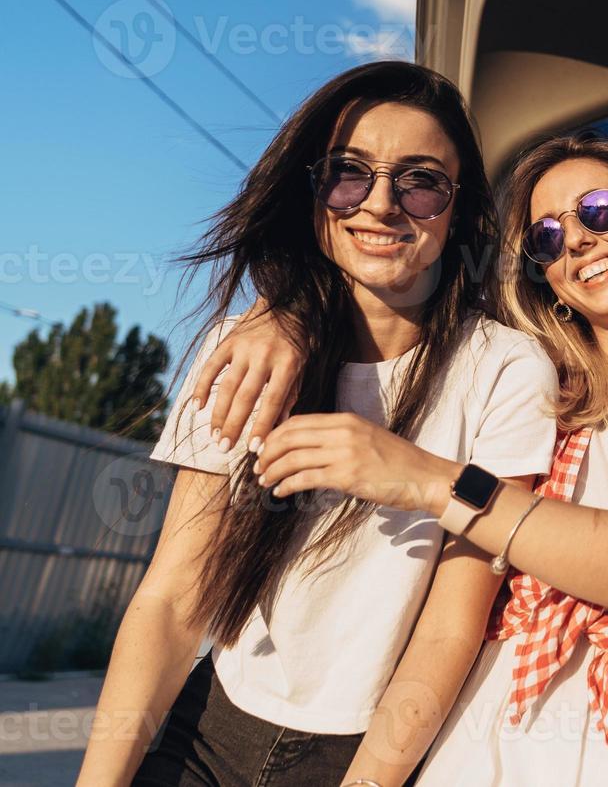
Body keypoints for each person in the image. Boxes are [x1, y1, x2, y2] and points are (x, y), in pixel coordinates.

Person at [201, 131, 608, 786]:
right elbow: (389, 301)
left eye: (601, 210)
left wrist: (429, 480)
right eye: (547, 237)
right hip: (490, 736)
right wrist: (284, 310)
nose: (576, 239)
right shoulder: (530, 394)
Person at [77, 61, 558, 787]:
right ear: (313, 195)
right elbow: (174, 598)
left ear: (457, 210)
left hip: (371, 752)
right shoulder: (246, 351)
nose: (381, 204)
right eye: (348, 173)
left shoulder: (506, 369)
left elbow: (450, 628)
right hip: (211, 726)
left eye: (421, 182)